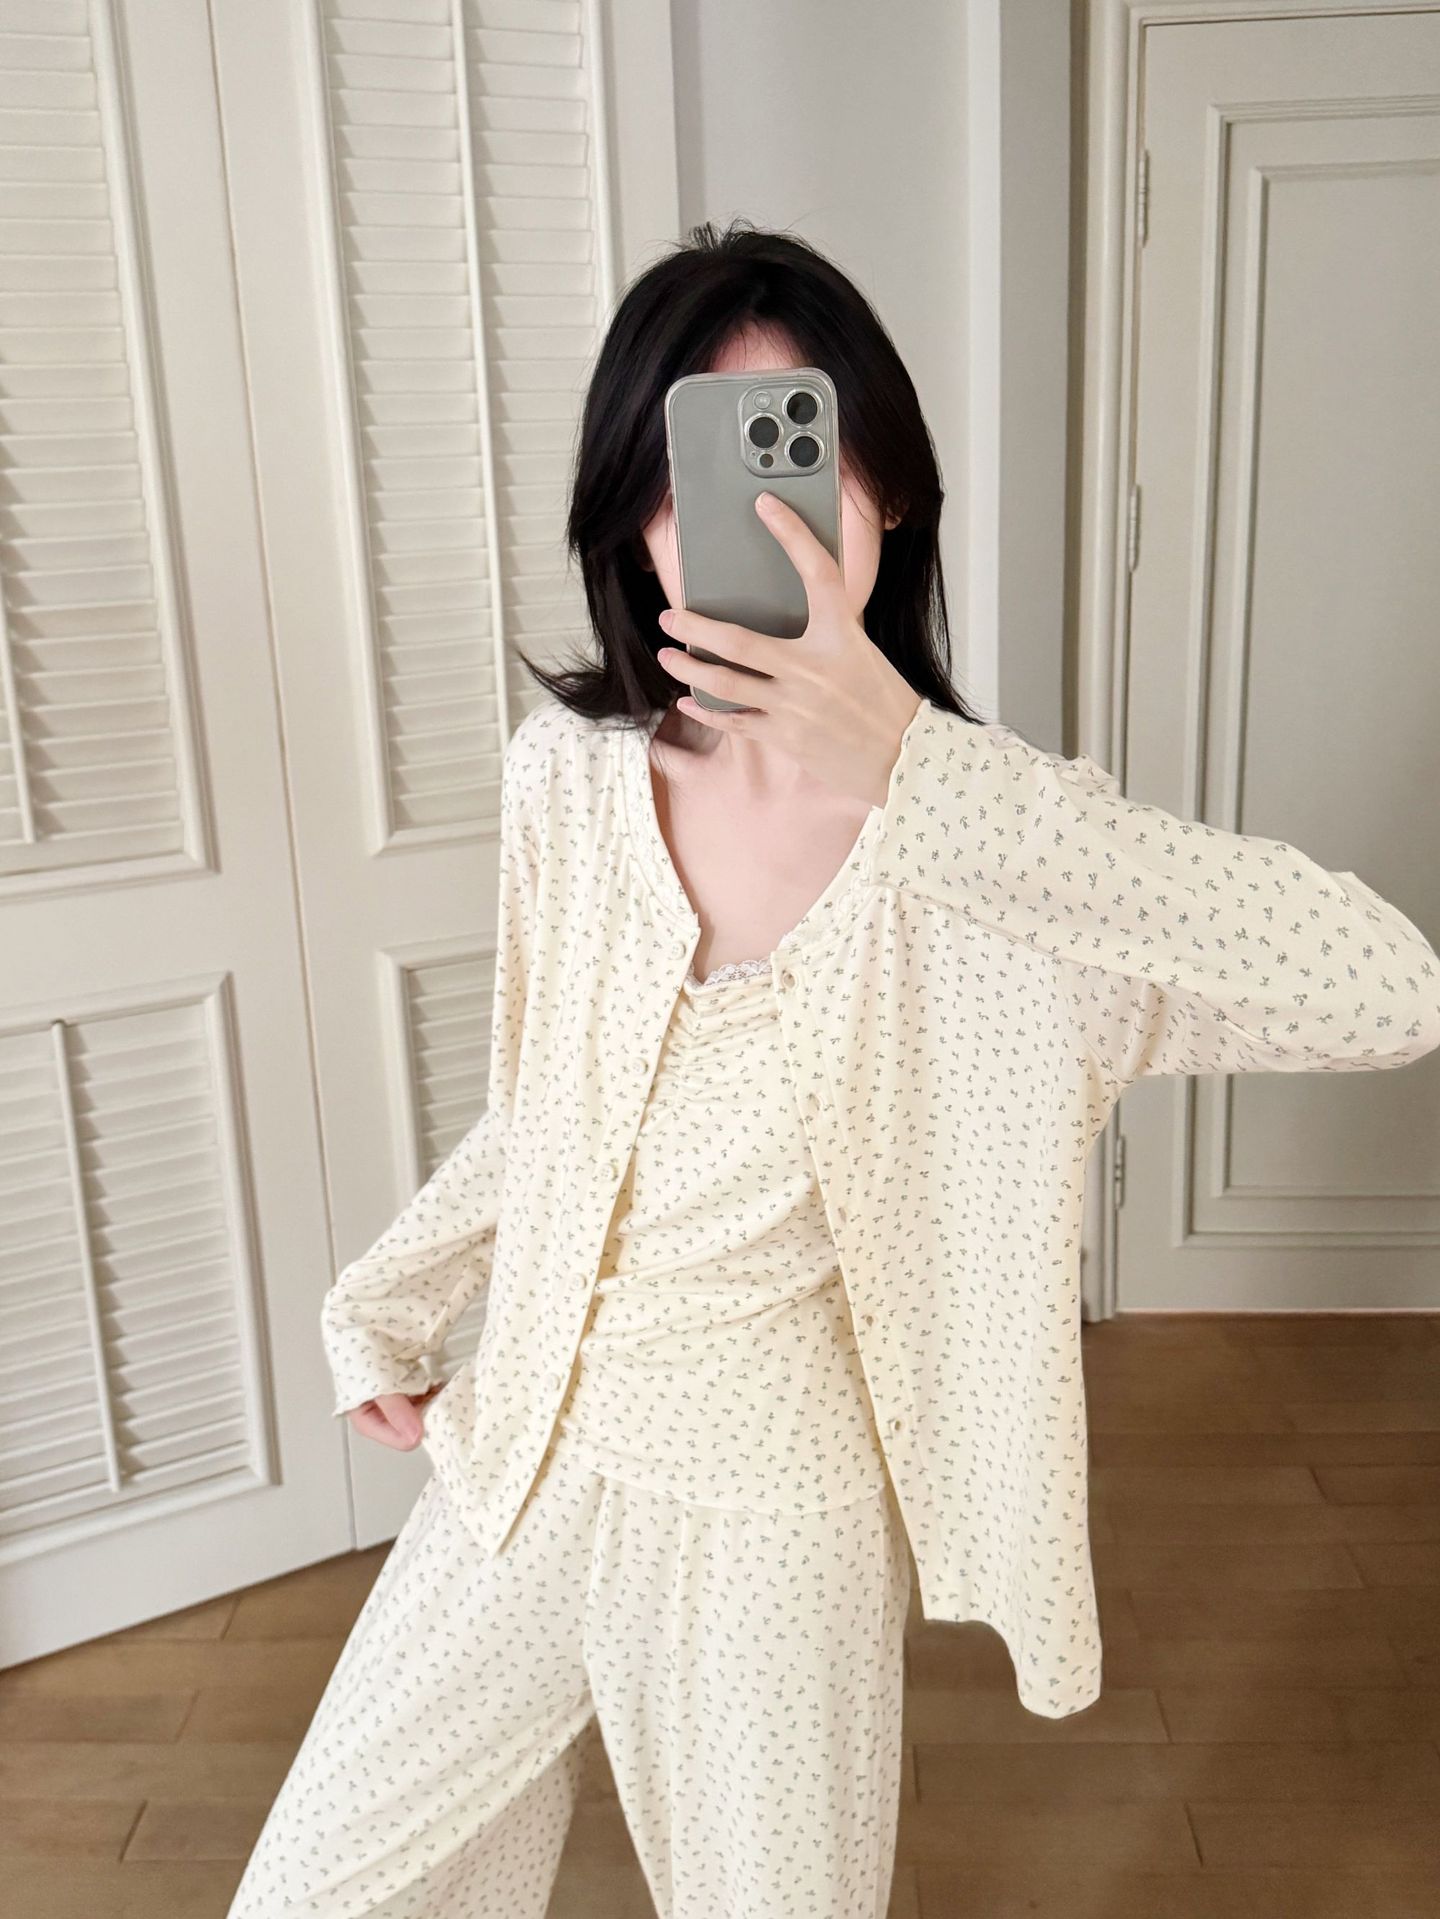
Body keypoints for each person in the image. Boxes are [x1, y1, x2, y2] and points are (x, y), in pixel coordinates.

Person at [226, 220, 1440, 1919]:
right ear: (631, 518)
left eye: (791, 455)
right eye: (687, 473)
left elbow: (1388, 989)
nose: (749, 519)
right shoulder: (565, 782)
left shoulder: (1001, 860)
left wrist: (919, 771)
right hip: (525, 1448)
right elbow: (555, 1113)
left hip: (770, 1512)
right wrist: (395, 1292)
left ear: (889, 496)